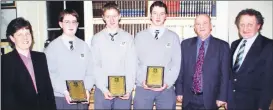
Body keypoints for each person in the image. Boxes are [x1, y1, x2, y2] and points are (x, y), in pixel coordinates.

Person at [175, 14, 230, 110]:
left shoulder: (222, 46)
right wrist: (179, 91)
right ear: (195, 28)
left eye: (205, 23)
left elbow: (225, 75)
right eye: (198, 24)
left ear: (210, 26)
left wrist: (222, 97)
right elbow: (180, 69)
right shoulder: (185, 44)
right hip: (188, 98)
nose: (201, 26)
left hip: (211, 99)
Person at [133, 1, 181, 109]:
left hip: (166, 89)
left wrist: (167, 82)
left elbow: (176, 63)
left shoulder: (173, 37)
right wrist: (142, 80)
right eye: (155, 13)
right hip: (143, 87)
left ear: (166, 16)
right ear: (150, 15)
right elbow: (133, 62)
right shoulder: (139, 37)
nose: (158, 17)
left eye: (161, 13)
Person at [1, 17, 56, 110]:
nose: (25, 38)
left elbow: (48, 90)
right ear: (12, 38)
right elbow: (6, 97)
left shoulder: (41, 57)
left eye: (27, 33)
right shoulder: (5, 61)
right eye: (19, 35)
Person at [44, 9, 94, 110]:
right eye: (67, 22)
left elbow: (90, 71)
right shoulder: (52, 48)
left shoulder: (84, 46)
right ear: (60, 24)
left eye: (74, 22)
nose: (71, 25)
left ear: (77, 24)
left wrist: (87, 89)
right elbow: (50, 74)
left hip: (82, 98)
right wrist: (64, 90)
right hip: (61, 98)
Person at [90, 2, 137, 109]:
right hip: (103, 91)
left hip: (123, 91)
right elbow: (95, 66)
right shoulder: (97, 39)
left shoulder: (128, 38)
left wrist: (129, 89)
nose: (111, 20)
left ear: (119, 16)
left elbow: (132, 65)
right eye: (108, 16)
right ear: (103, 17)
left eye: (114, 16)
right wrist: (103, 89)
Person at [227, 8, 273, 110]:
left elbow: (269, 80)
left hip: (253, 104)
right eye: (242, 24)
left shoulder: (268, 45)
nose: (245, 28)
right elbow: (231, 75)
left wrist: (262, 106)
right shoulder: (234, 44)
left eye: (249, 25)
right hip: (232, 103)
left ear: (258, 26)